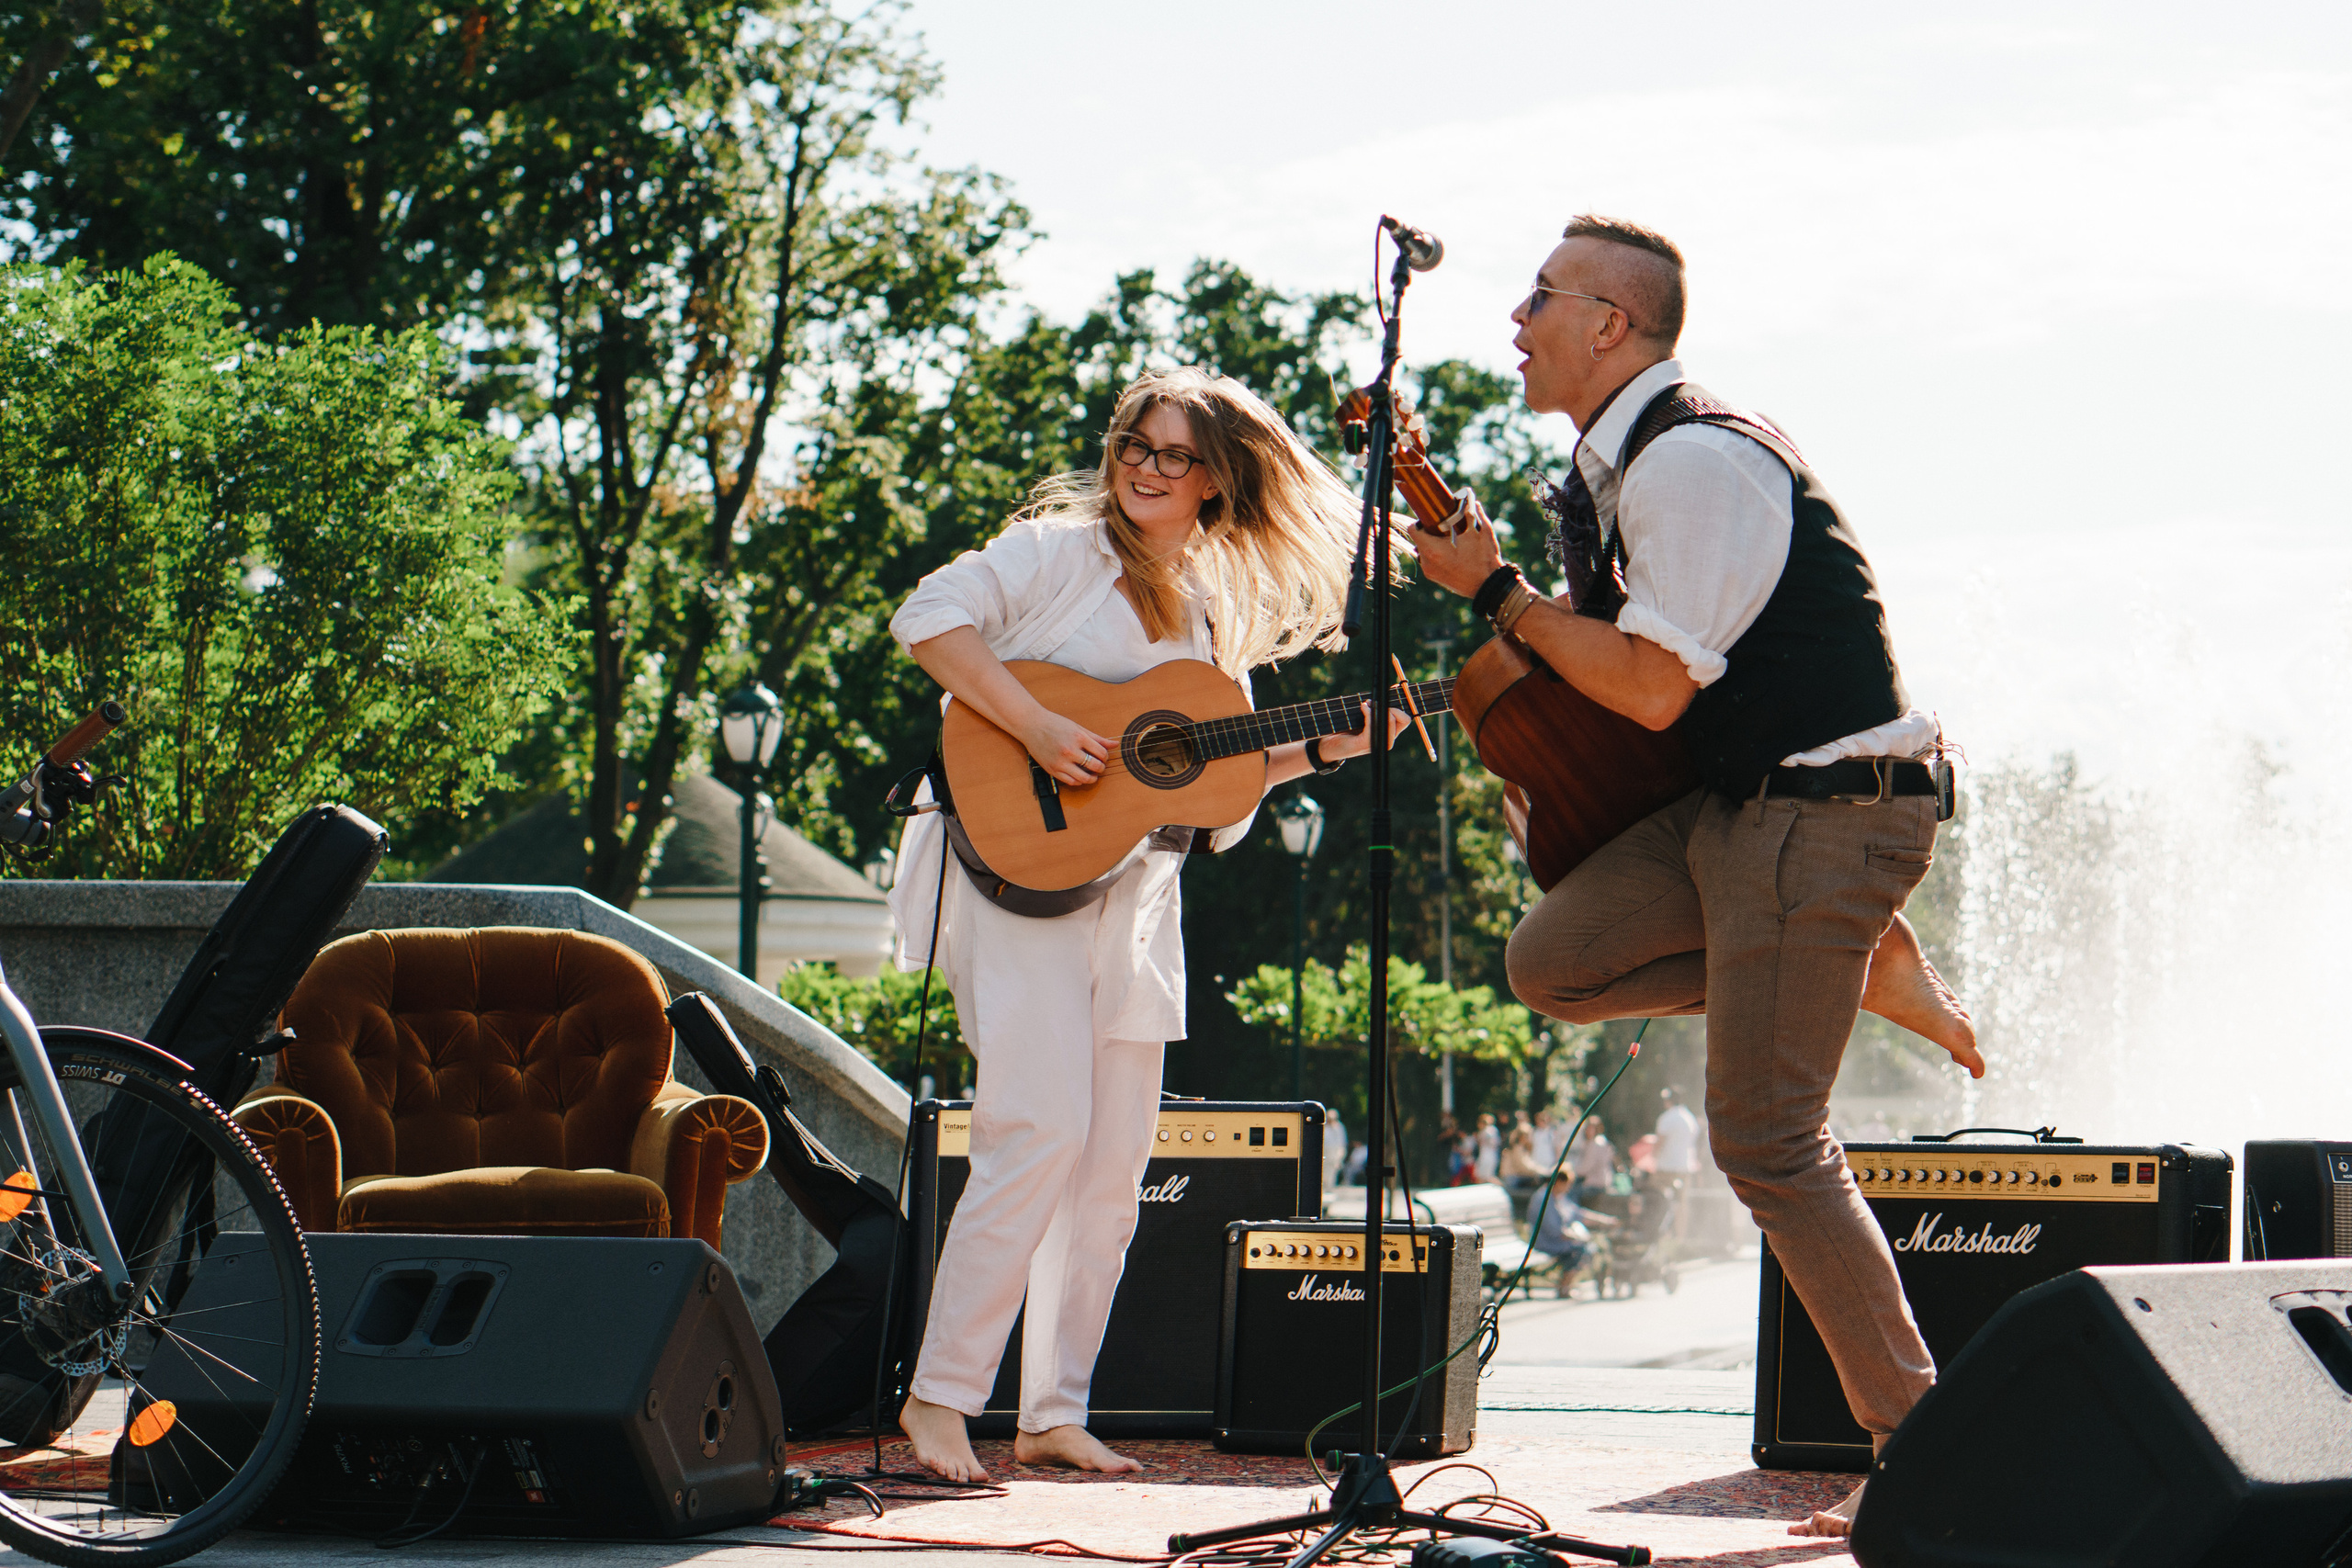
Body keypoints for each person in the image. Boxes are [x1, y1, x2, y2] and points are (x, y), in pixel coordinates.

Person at [1408, 215, 1984, 1537]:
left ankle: (1926, 1447)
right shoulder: (1607, 471)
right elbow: (1619, 687)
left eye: (1541, 295)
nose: (1515, 315)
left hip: (1829, 809)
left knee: (1769, 1143)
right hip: (1737, 812)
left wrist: (1492, 590)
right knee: (1549, 960)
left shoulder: (1696, 464)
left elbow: (1657, 686)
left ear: (1612, 323)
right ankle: (1838, 956)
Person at [886, 367, 1407, 1483]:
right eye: (1136, 442)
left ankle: (1053, 1409)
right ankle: (938, 1400)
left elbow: (1206, 781)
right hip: (1011, 872)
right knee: (1035, 1132)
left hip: (1138, 895)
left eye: (1174, 453)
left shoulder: (1209, 607)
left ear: (1216, 478)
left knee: (1114, 1164)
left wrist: (1331, 745)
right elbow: (926, 617)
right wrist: (1030, 727)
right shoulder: (1055, 554)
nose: (1145, 466)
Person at [1473, 1111, 1502, 1183]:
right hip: (1488, 1155)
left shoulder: (1488, 1131)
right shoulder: (1492, 1130)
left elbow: (1493, 1143)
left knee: (1486, 1177)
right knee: (1484, 1176)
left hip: (1487, 1156)